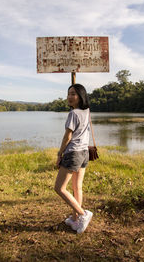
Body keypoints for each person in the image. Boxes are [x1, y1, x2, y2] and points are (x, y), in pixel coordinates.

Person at [54, 83, 93, 234]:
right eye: (69, 93)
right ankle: (74, 219)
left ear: (80, 96)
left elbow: (68, 136)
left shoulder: (73, 114)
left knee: (59, 188)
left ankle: (83, 215)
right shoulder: (87, 111)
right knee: (77, 187)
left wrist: (59, 154)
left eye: (73, 94)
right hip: (84, 152)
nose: (70, 97)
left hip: (73, 153)